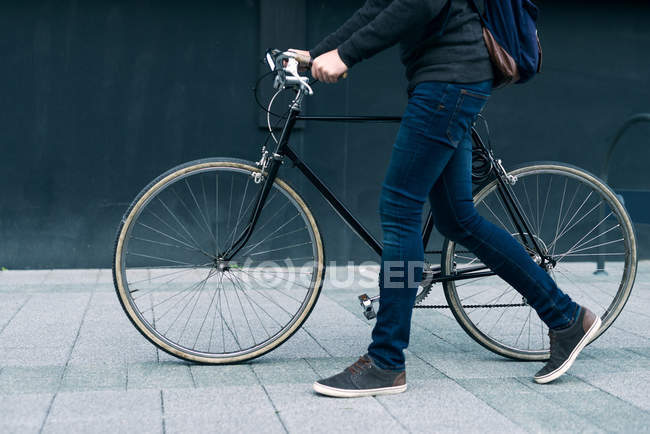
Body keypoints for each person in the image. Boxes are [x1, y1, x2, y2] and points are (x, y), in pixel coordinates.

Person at [290, 0, 601, 398]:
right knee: (456, 218)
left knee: (399, 210)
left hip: (449, 81)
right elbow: (381, 6)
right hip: (449, 81)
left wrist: (346, 54)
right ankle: (566, 318)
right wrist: (321, 52)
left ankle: (385, 361)